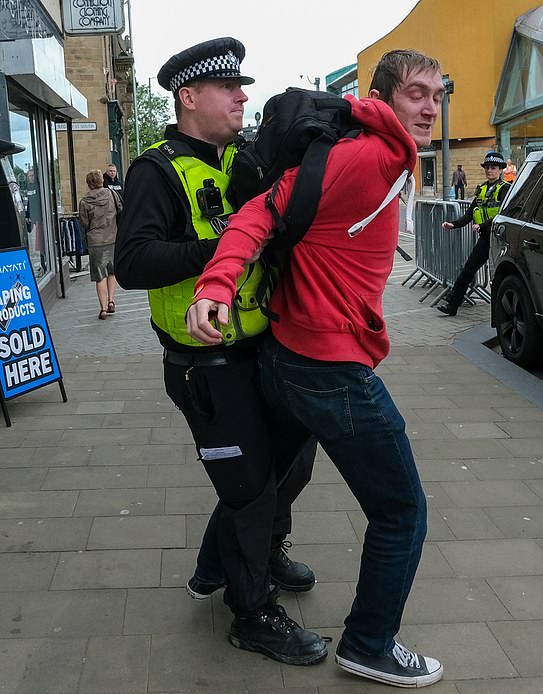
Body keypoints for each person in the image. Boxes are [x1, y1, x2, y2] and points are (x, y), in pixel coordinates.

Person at [186, 48, 445, 689]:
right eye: (416, 93)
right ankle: (369, 643)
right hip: (329, 369)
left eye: (439, 95)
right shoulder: (368, 156)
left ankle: (211, 570)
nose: (431, 107)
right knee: (401, 512)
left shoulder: (368, 148)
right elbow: (261, 213)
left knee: (267, 474)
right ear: (384, 97)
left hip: (287, 357)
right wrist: (215, 284)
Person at [114, 37, 324, 667]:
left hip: (266, 348)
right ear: (188, 97)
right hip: (206, 367)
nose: (242, 96)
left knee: (294, 464)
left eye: (243, 86)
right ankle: (251, 611)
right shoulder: (157, 169)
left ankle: (262, 552)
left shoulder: (244, 159)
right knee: (248, 490)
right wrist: (223, 249)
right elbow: (131, 263)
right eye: (228, 88)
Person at [437, 151, 510, 316]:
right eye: (487, 167)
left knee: (498, 276)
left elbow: (503, 215)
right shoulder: (482, 189)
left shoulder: (505, 189)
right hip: (486, 238)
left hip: (500, 238)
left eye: (493, 167)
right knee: (468, 269)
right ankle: (453, 305)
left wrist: (482, 226)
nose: (489, 170)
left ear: (500, 170)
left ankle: (501, 313)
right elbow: (470, 214)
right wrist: (453, 224)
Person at [79, 169, 121, 319]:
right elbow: (121, 211)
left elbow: (84, 223)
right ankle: (111, 300)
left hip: (95, 242)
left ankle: (103, 308)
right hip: (113, 238)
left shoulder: (84, 202)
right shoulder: (112, 194)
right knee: (112, 272)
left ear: (89, 184)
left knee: (100, 276)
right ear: (101, 181)